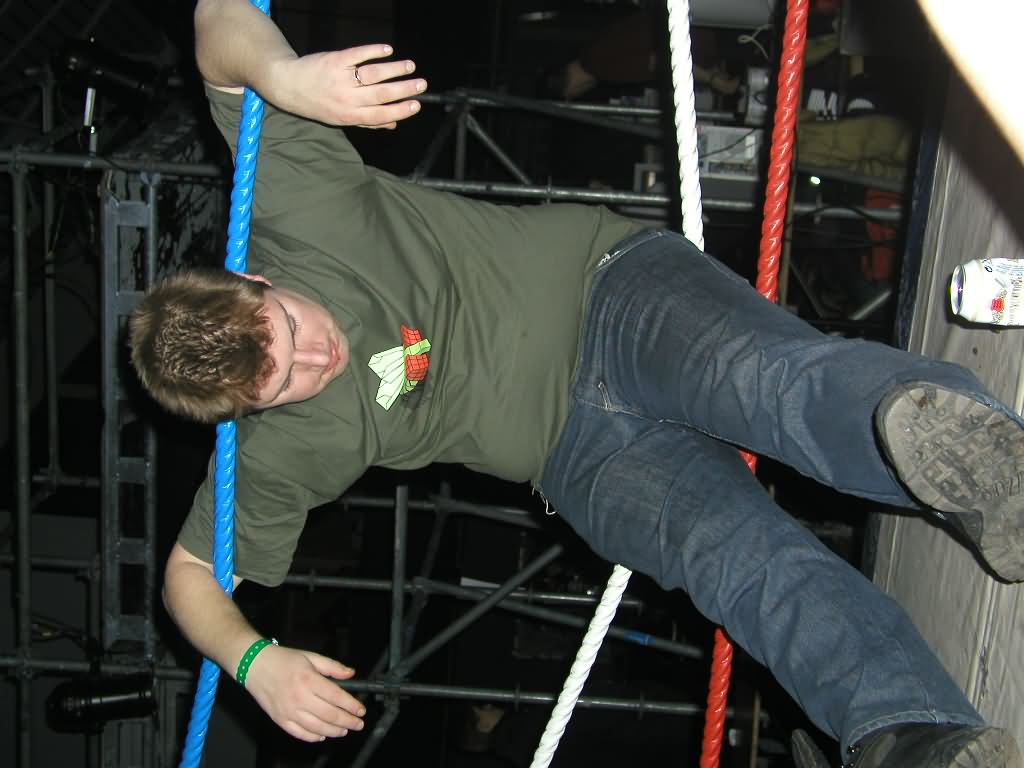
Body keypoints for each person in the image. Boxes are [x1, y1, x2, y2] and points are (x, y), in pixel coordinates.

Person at [129, 1, 1024, 765]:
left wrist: (282, 77)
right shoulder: (279, 451)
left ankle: (983, 471)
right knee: (737, 562)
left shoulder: (292, 207)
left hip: (606, 294)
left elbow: (216, 19)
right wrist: (255, 664)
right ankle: (914, 737)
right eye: (283, 385)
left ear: (256, 278)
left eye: (292, 330)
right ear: (248, 411)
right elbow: (188, 577)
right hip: (576, 457)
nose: (316, 361)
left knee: (763, 380)